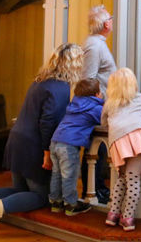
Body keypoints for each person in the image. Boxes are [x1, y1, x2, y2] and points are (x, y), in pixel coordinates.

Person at [0, 43, 83, 239]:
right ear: (74, 64)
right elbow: (48, 123)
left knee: (19, 189)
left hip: (17, 140)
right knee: (41, 196)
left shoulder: (40, 81)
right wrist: (47, 154)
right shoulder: (61, 87)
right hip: (33, 146)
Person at [103, 68, 141, 231]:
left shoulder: (110, 103)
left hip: (118, 141)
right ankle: (127, 217)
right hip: (137, 138)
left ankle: (113, 214)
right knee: (133, 179)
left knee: (122, 176)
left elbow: (104, 122)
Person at [48, 78, 104, 216]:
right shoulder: (95, 108)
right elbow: (105, 120)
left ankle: (55, 202)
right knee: (69, 175)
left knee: (57, 174)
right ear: (97, 94)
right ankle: (71, 204)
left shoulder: (73, 104)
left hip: (55, 141)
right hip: (68, 144)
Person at [82, 5, 116, 203]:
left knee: (101, 149)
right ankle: (93, 188)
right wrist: (100, 101)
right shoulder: (94, 46)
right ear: (105, 24)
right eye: (110, 18)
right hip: (96, 106)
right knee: (96, 149)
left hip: (102, 104)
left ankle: (99, 187)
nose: (112, 21)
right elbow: (88, 79)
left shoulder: (98, 43)